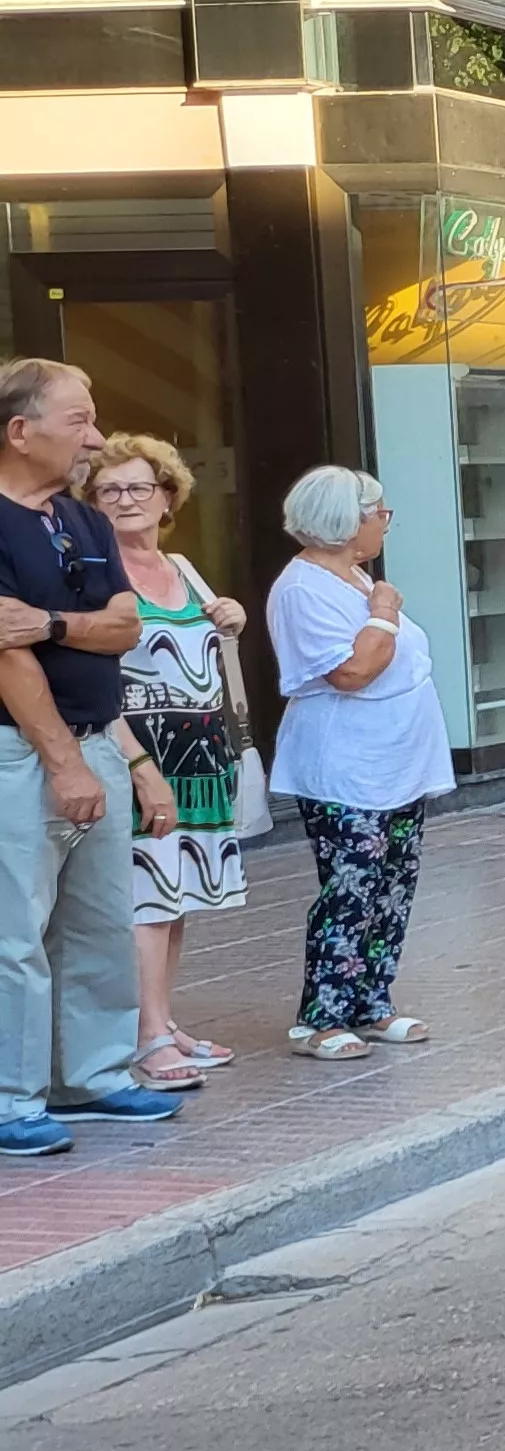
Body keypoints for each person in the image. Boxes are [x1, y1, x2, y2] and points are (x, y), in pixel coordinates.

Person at [0, 358, 177, 1157]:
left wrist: (51, 624)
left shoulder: (83, 520)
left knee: (100, 920)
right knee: (15, 932)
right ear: (19, 430)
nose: (97, 438)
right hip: (22, 752)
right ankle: (12, 1099)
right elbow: (5, 657)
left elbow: (124, 625)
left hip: (100, 738)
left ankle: (94, 1075)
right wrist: (63, 762)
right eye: (79, 421)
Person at [267, 466, 451, 1062]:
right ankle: (321, 1017)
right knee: (350, 888)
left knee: (393, 885)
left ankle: (371, 1001)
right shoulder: (304, 588)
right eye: (379, 513)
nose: (385, 523)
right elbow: (351, 672)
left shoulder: (353, 576)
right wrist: (382, 612)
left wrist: (377, 605)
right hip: (347, 769)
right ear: (347, 521)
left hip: (396, 764)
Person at [93, 435, 248, 1088]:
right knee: (146, 900)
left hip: (201, 757)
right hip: (144, 755)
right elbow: (95, 683)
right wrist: (136, 765)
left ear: (167, 497)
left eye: (138, 487)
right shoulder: (99, 576)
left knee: (175, 897)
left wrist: (232, 616)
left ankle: (162, 1019)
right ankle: (146, 1035)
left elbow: (206, 647)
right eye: (108, 490)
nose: (125, 500)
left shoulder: (183, 567)